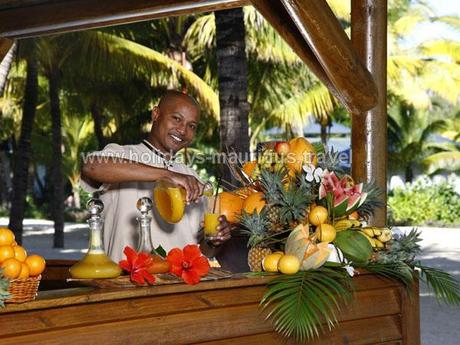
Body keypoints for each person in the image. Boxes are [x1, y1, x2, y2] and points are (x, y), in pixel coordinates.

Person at [81, 90, 232, 262]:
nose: (183, 130)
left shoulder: (192, 179)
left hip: (178, 284)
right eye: (176, 118)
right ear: (156, 114)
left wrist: (214, 241)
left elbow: (205, 250)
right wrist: (168, 175)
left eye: (192, 126)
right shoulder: (122, 155)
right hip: (124, 282)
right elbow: (91, 166)